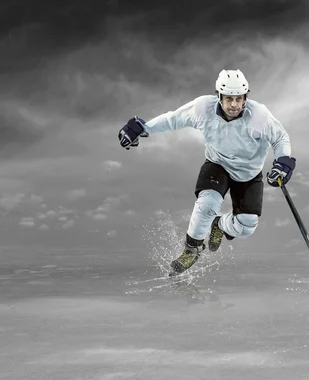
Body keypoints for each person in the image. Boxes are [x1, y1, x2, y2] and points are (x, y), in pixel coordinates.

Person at [118, 69, 296, 276]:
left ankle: (219, 224)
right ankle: (191, 250)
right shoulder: (202, 109)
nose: (234, 105)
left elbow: (280, 138)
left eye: (239, 99)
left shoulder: (259, 116)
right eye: (229, 98)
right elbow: (172, 119)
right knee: (207, 203)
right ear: (218, 97)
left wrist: (282, 162)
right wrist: (144, 128)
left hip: (249, 174)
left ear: (246, 97)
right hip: (217, 164)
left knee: (247, 226)